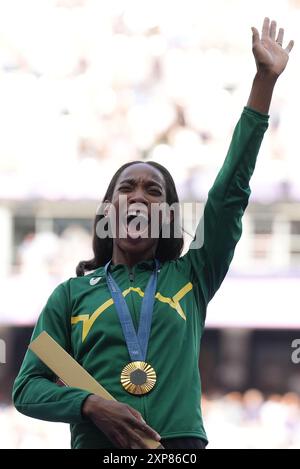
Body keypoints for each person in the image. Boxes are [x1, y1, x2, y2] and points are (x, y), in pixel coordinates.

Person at [13, 18, 294, 449]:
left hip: (178, 451)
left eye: (153, 191)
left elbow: (229, 192)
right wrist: (89, 404)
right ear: (109, 210)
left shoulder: (192, 276)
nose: (140, 196)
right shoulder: (70, 296)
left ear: (167, 214)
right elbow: (28, 388)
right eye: (127, 188)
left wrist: (263, 84)